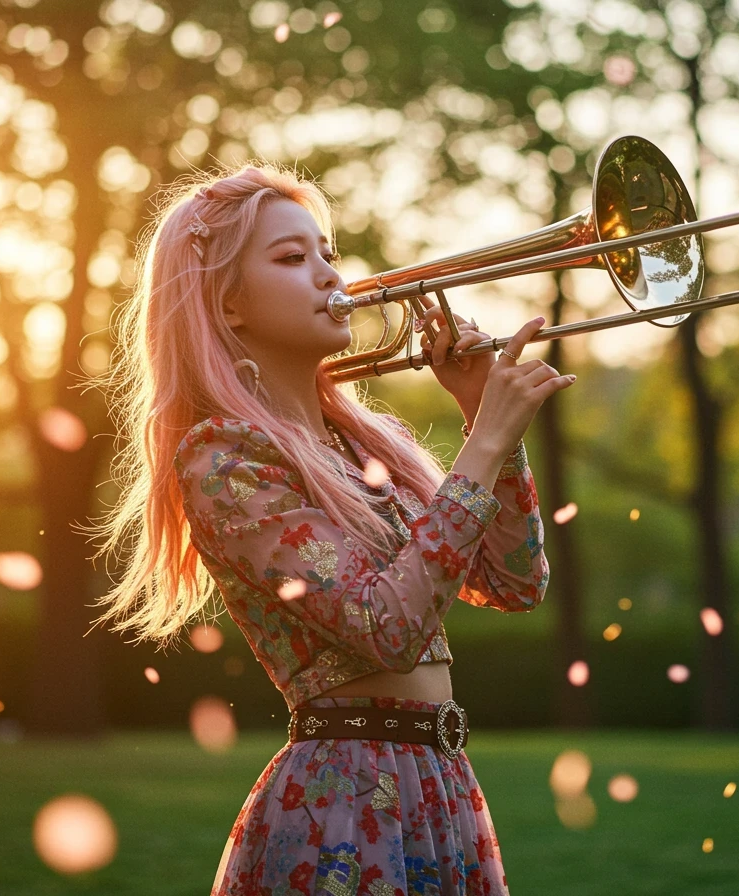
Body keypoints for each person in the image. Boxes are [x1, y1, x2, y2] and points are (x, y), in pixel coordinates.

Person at [85, 162, 576, 896]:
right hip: (344, 798)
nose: (327, 275)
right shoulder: (224, 459)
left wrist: (485, 420)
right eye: (291, 258)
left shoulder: (363, 443)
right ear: (227, 305)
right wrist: (484, 446)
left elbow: (513, 582)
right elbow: (386, 628)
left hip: (439, 784)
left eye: (327, 254)